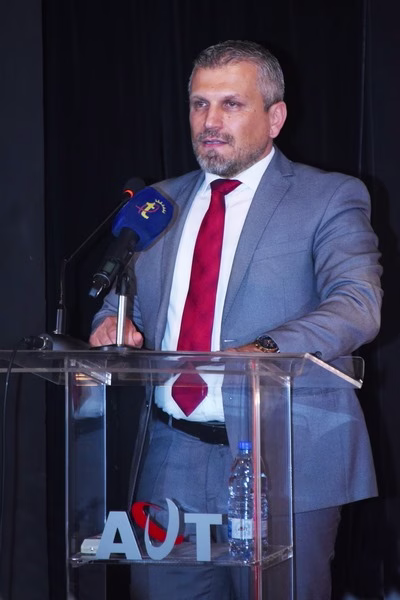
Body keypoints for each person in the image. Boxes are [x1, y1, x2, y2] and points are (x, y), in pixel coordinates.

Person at [90, 40, 382, 599]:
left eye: (231, 104)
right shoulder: (158, 204)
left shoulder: (328, 197)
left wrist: (265, 350)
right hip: (170, 457)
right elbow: (126, 300)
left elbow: (357, 304)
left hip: (285, 456)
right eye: (199, 104)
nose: (210, 122)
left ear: (275, 117)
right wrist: (113, 322)